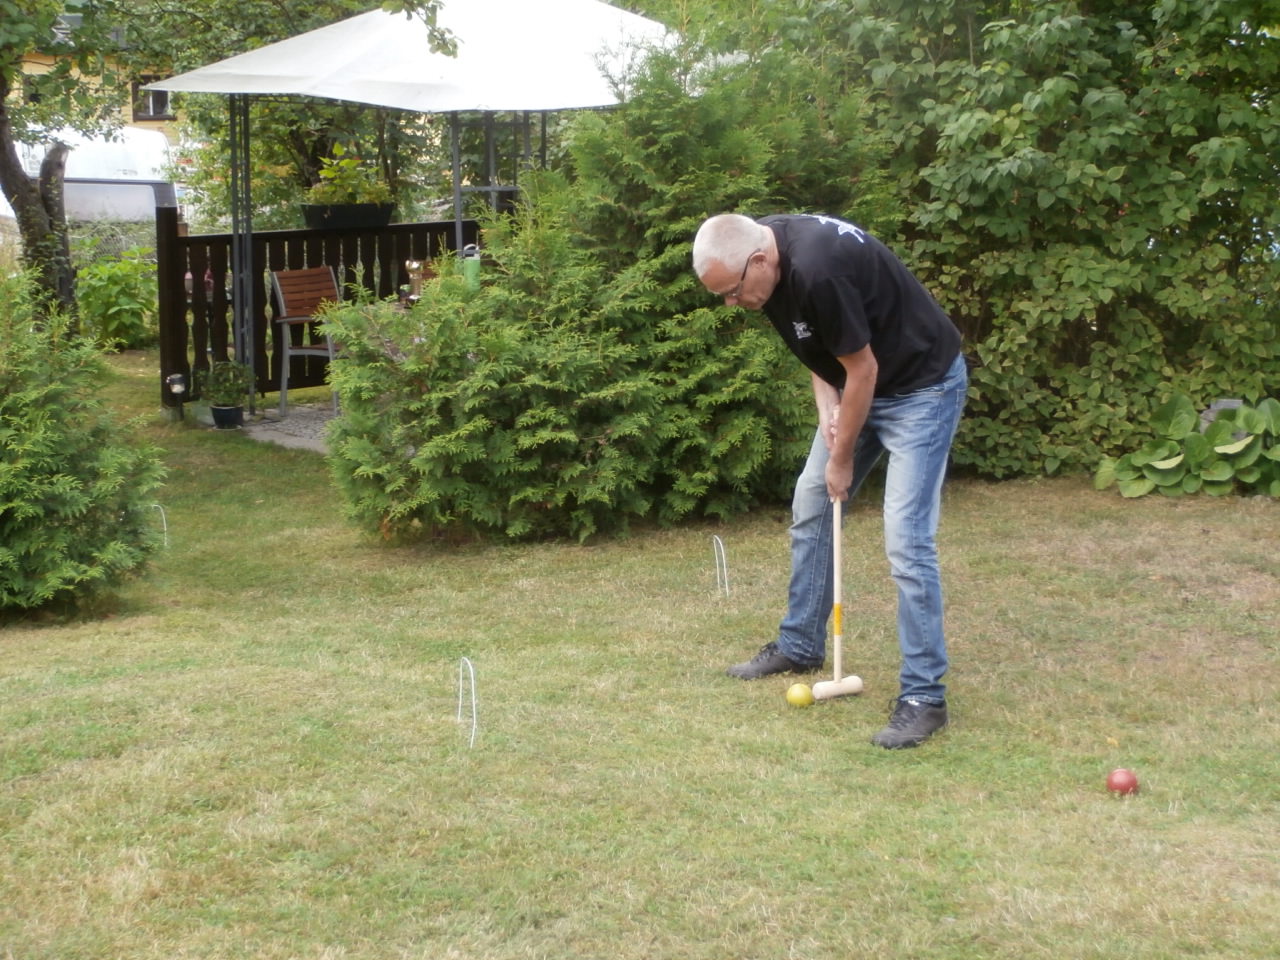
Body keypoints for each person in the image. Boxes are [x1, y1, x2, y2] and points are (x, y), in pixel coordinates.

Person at [691, 212, 967, 749]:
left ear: (759, 262)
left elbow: (863, 369)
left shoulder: (818, 267)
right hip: (863, 384)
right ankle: (799, 643)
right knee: (812, 500)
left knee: (906, 541)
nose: (731, 304)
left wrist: (841, 457)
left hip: (922, 387)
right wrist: (827, 407)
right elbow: (821, 351)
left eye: (731, 292)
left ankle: (924, 698)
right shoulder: (767, 265)